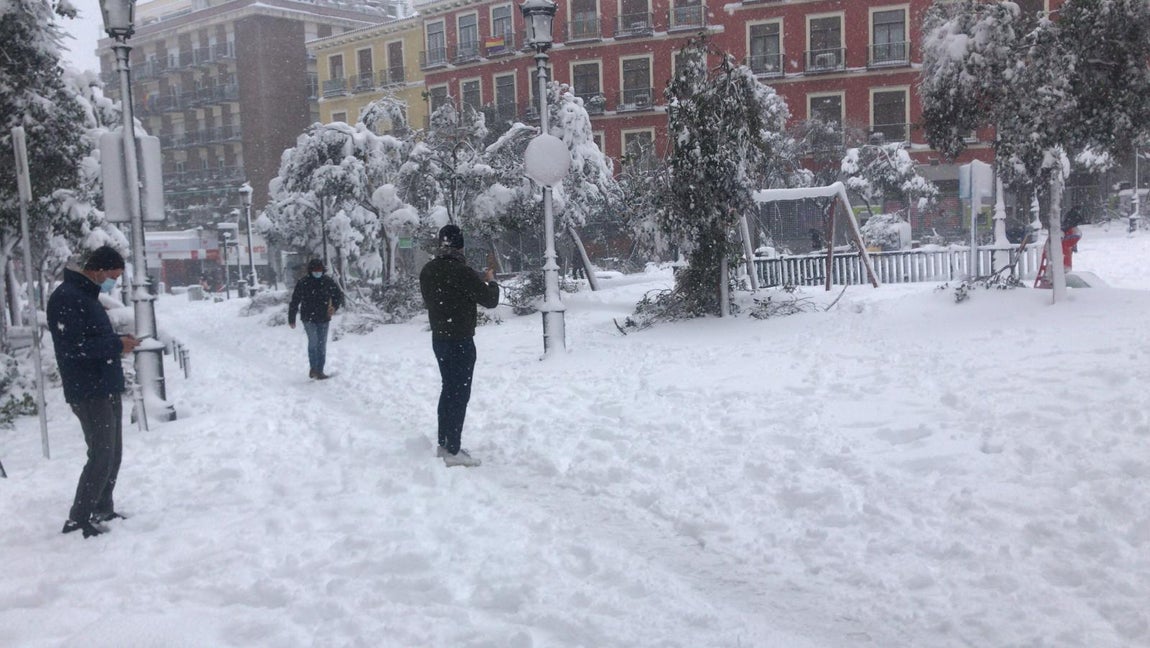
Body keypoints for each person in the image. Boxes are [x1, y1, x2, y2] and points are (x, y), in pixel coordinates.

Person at [47, 246, 141, 538]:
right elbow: (72, 347)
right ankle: (78, 519)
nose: (114, 281)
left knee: (113, 454)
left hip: (105, 384)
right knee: (101, 454)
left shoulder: (86, 295)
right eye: (114, 275)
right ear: (99, 269)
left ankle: (102, 507)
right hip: (88, 389)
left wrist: (119, 340)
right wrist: (117, 345)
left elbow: (92, 338)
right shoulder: (67, 297)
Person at [419, 224, 500, 468]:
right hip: (461, 340)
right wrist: (491, 282)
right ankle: (453, 449)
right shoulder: (462, 271)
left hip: (439, 339)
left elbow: (433, 300)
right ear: (460, 246)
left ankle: (444, 443)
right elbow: (490, 300)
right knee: (459, 394)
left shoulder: (428, 270)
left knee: (448, 390)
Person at [288, 258, 343, 379]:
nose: (317, 272)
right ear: (310, 271)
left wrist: (334, 307)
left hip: (324, 318)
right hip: (308, 318)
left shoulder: (327, 281)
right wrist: (291, 318)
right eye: (315, 270)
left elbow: (338, 295)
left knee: (321, 345)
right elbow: (295, 301)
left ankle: (320, 370)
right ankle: (313, 368)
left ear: (323, 270)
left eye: (319, 270)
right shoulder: (303, 282)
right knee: (313, 342)